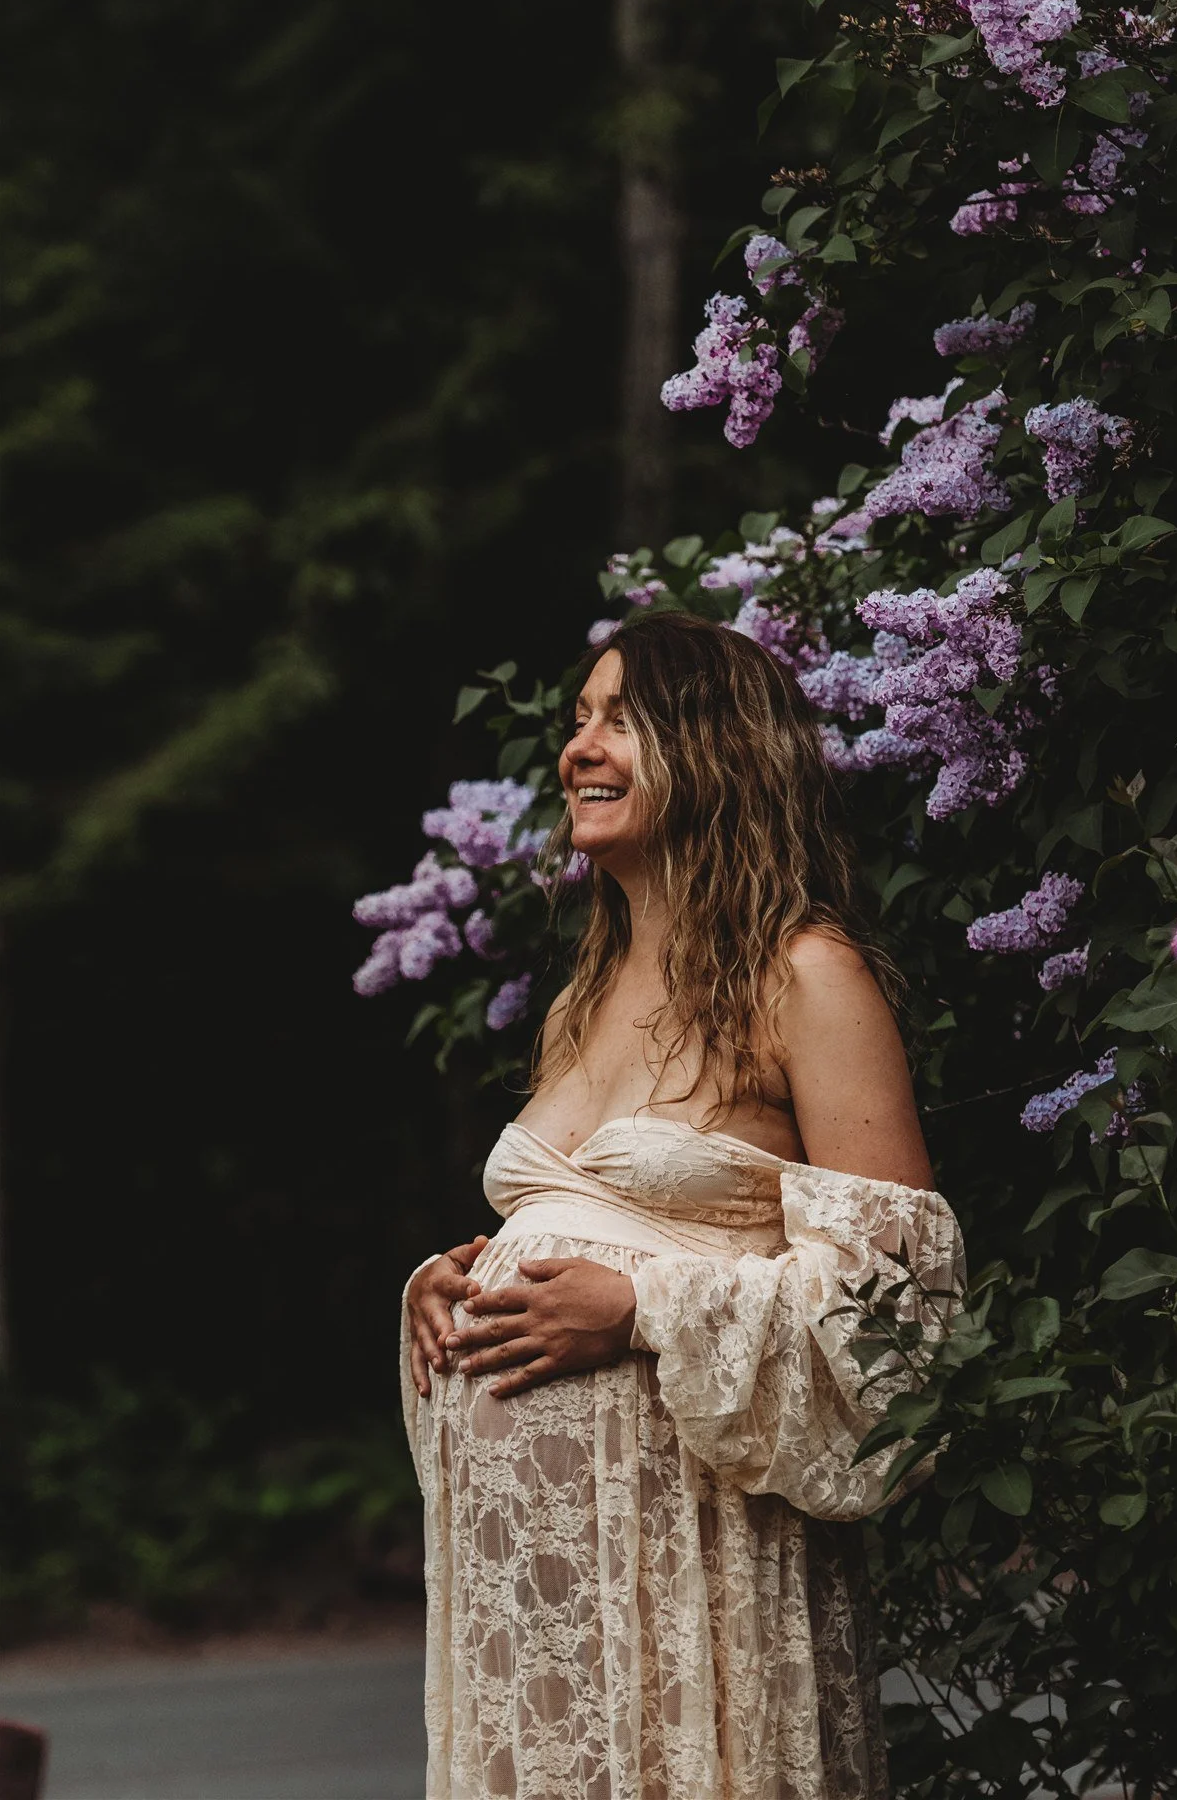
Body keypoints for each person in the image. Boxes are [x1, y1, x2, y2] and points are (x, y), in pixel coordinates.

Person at [401, 611, 965, 1800]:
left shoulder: (806, 975)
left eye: (618, 718)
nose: (578, 747)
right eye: (576, 720)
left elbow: (896, 1305)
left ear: (715, 747)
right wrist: (452, 1291)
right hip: (536, 1605)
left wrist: (643, 1304)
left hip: (694, 1575)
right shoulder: (580, 997)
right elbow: (573, 1224)